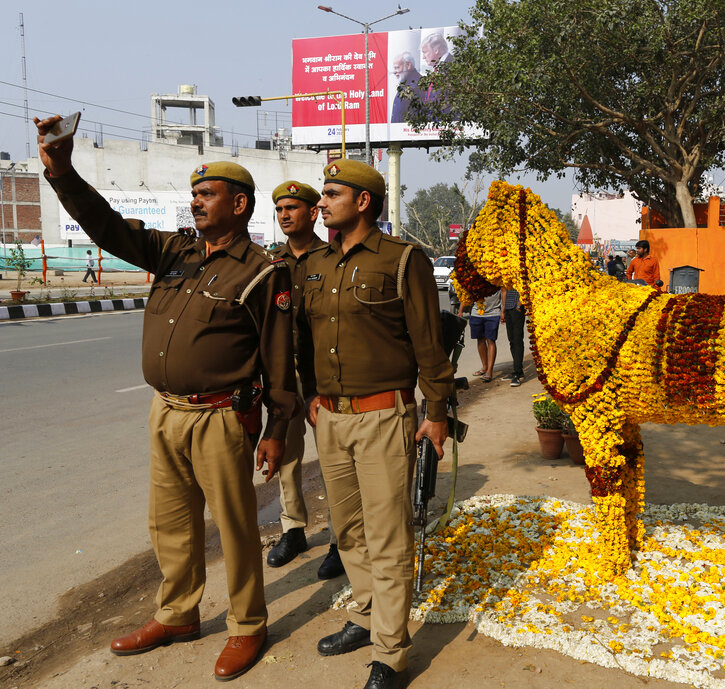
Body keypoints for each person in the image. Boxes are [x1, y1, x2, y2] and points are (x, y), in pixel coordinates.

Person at [35, 115, 297, 681]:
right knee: (170, 524)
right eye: (194, 193)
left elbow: (279, 362)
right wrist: (62, 170)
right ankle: (177, 615)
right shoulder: (174, 252)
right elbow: (105, 226)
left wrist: (277, 432)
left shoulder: (260, 272)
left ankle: (247, 625)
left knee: (234, 527)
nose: (197, 202)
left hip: (221, 417)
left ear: (241, 205)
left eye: (208, 194)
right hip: (166, 412)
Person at [296, 160, 454, 689]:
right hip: (331, 420)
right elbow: (303, 342)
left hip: (385, 416)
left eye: (332, 193)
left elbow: (429, 343)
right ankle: (365, 616)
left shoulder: (402, 259)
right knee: (348, 531)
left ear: (363, 202)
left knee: (388, 536)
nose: (322, 203)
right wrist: (308, 397)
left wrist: (435, 414)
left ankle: (391, 652)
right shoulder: (315, 262)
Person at [265, 180, 343, 580]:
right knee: (287, 456)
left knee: (332, 456)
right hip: (282, 372)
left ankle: (339, 539)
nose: (284, 215)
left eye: (292, 208)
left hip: (323, 374)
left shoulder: (330, 257)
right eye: (279, 209)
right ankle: (293, 529)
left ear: (313, 212)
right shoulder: (271, 261)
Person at [459, 290, 501, 383]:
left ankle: (489, 371)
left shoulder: (496, 278)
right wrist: (460, 311)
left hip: (493, 314)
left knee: (491, 340)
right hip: (476, 314)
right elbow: (466, 292)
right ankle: (484, 367)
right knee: (480, 340)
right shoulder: (475, 277)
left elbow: (504, 291)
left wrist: (503, 312)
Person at [389, 52, 426, 123]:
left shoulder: (418, 85)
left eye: (397, 67)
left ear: (408, 65)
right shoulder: (405, 84)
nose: (394, 72)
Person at [500, 286, 526, 387]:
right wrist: (503, 311)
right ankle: (517, 370)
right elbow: (504, 291)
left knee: (517, 340)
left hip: (517, 309)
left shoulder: (517, 271)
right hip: (508, 308)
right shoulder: (503, 274)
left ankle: (518, 373)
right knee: (512, 340)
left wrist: (519, 305)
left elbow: (524, 288)